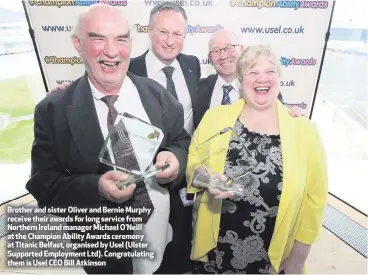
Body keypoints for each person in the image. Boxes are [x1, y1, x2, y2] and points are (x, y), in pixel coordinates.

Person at [26, 3, 191, 274]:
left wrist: (175, 159)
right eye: (98, 38)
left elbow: (181, 141)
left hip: (165, 241)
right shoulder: (52, 111)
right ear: (77, 44)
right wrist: (96, 188)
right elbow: (44, 185)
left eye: (121, 39)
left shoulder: (158, 96)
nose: (112, 51)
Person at [186, 44, 328, 274]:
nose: (262, 78)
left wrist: (297, 261)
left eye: (270, 71)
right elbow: (193, 166)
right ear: (241, 81)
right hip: (215, 254)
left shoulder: (304, 131)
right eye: (253, 72)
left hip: (273, 260)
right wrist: (207, 179)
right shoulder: (215, 118)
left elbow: (315, 202)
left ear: (279, 79)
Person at [194, 30, 299, 129]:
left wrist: (293, 114)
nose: (223, 55)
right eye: (216, 51)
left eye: (229, 47)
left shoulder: (260, 88)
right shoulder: (198, 88)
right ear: (209, 57)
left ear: (241, 49)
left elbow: (280, 116)